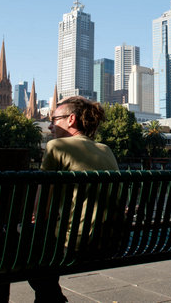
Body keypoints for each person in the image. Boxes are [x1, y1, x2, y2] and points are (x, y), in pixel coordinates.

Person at [29, 96, 118, 302]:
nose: (50, 126)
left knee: (17, 243)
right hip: (113, 242)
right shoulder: (106, 149)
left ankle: (52, 298)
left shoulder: (56, 146)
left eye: (54, 120)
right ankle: (51, 297)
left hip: (76, 245)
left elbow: (40, 208)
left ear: (71, 119)